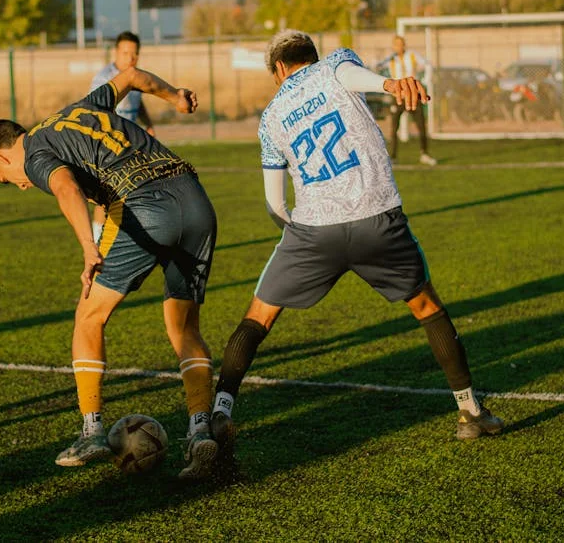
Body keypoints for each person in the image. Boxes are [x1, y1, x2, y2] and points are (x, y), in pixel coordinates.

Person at [209, 30, 503, 454]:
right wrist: (389, 84)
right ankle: (470, 412)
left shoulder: (271, 116)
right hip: (376, 218)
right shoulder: (334, 64)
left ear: (277, 70)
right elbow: (352, 76)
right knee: (426, 306)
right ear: (312, 55)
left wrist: (300, 240)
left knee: (258, 317)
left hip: (313, 231)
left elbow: (275, 203)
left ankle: (222, 411)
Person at [0, 67, 219, 479]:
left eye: (6, 179)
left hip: (143, 204)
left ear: (0, 157)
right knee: (183, 326)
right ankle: (200, 432)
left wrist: (89, 247)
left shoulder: (34, 153)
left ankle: (91, 430)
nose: (18, 185)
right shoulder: (82, 107)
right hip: (196, 200)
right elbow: (131, 76)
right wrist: (175, 95)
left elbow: (67, 188)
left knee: (88, 316)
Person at [89, 31, 156, 244]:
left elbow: (138, 101)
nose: (131, 57)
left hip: (129, 144)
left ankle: (129, 239)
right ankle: (98, 241)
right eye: (126, 52)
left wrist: (148, 124)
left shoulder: (135, 75)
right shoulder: (105, 79)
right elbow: (94, 111)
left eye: (135, 53)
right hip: (107, 145)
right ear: (116, 52)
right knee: (105, 197)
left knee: (131, 191)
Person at [377, 35, 436, 165]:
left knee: (421, 125)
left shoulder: (412, 55)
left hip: (413, 95)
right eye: (396, 44)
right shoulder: (391, 59)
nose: (399, 47)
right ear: (393, 46)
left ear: (404, 45)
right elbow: (378, 67)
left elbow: (428, 65)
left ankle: (424, 154)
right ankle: (393, 157)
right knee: (394, 127)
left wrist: (425, 81)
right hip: (398, 97)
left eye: (401, 44)